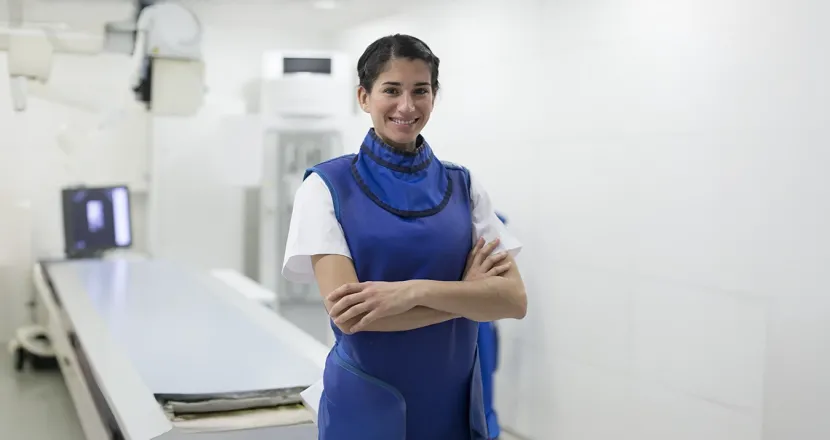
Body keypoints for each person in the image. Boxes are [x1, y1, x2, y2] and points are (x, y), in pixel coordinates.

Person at [282, 34, 527, 440]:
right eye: (391, 90)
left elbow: (513, 301)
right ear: (364, 97)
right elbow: (353, 317)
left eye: (421, 91)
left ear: (434, 96)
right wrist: (466, 297)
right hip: (366, 401)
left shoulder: (463, 186)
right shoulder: (327, 187)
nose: (407, 106)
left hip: (451, 398)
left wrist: (411, 292)